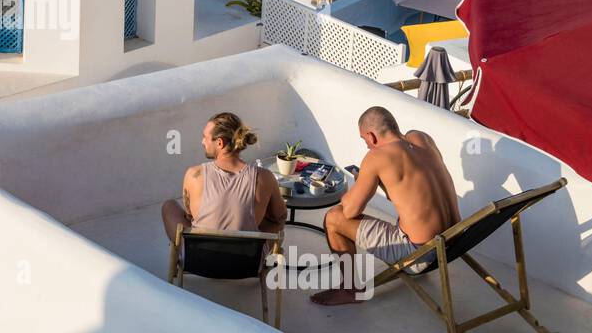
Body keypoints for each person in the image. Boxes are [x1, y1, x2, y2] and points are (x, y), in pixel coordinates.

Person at [312, 106, 461, 306]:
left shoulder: (377, 157)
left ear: (372, 136)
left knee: (333, 218)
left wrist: (362, 180)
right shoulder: (423, 139)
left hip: (421, 255)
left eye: (364, 140)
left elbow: (349, 211)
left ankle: (350, 290)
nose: (366, 146)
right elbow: (414, 192)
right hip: (455, 239)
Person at [162, 113, 286, 243]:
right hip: (246, 260)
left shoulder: (194, 174)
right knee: (275, 223)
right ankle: (256, 252)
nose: (202, 142)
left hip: (199, 259)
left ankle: (185, 254)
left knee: (169, 206)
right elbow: (280, 217)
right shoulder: (264, 177)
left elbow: (190, 216)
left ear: (220, 143)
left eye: (205, 137)